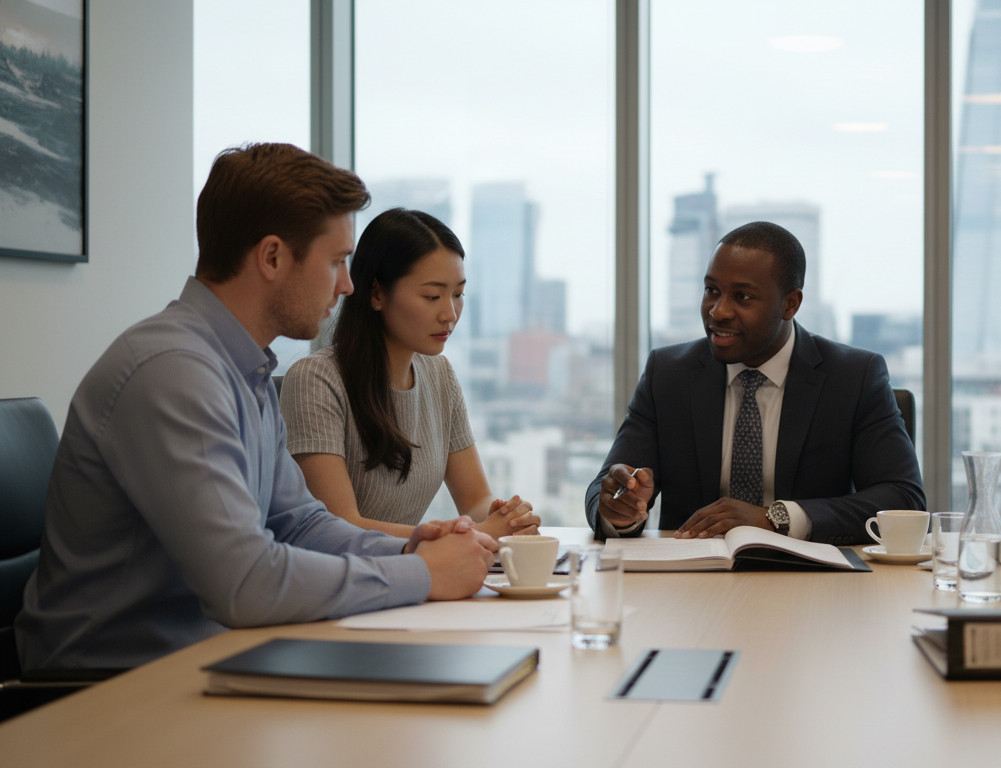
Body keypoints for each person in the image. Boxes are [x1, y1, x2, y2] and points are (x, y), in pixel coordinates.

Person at [16, 143, 496, 672]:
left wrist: (410, 551)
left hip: (207, 660)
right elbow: (243, 583)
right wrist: (424, 576)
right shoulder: (174, 372)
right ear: (272, 257)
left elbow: (298, 522)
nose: (348, 284)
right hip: (109, 690)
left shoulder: (245, 369)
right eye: (336, 261)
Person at [586, 221, 925, 545]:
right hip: (691, 583)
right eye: (711, 291)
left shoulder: (853, 377)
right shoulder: (669, 373)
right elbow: (604, 489)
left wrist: (776, 519)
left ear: (790, 304)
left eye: (743, 297)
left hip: (814, 587)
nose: (718, 311)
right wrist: (619, 508)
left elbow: (903, 499)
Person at [279, 208, 539, 541]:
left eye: (458, 294)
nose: (449, 314)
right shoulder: (316, 381)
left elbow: (475, 499)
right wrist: (470, 534)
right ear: (376, 293)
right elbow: (338, 527)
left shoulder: (439, 374)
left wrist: (505, 518)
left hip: (411, 579)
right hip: (342, 582)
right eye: (432, 296)